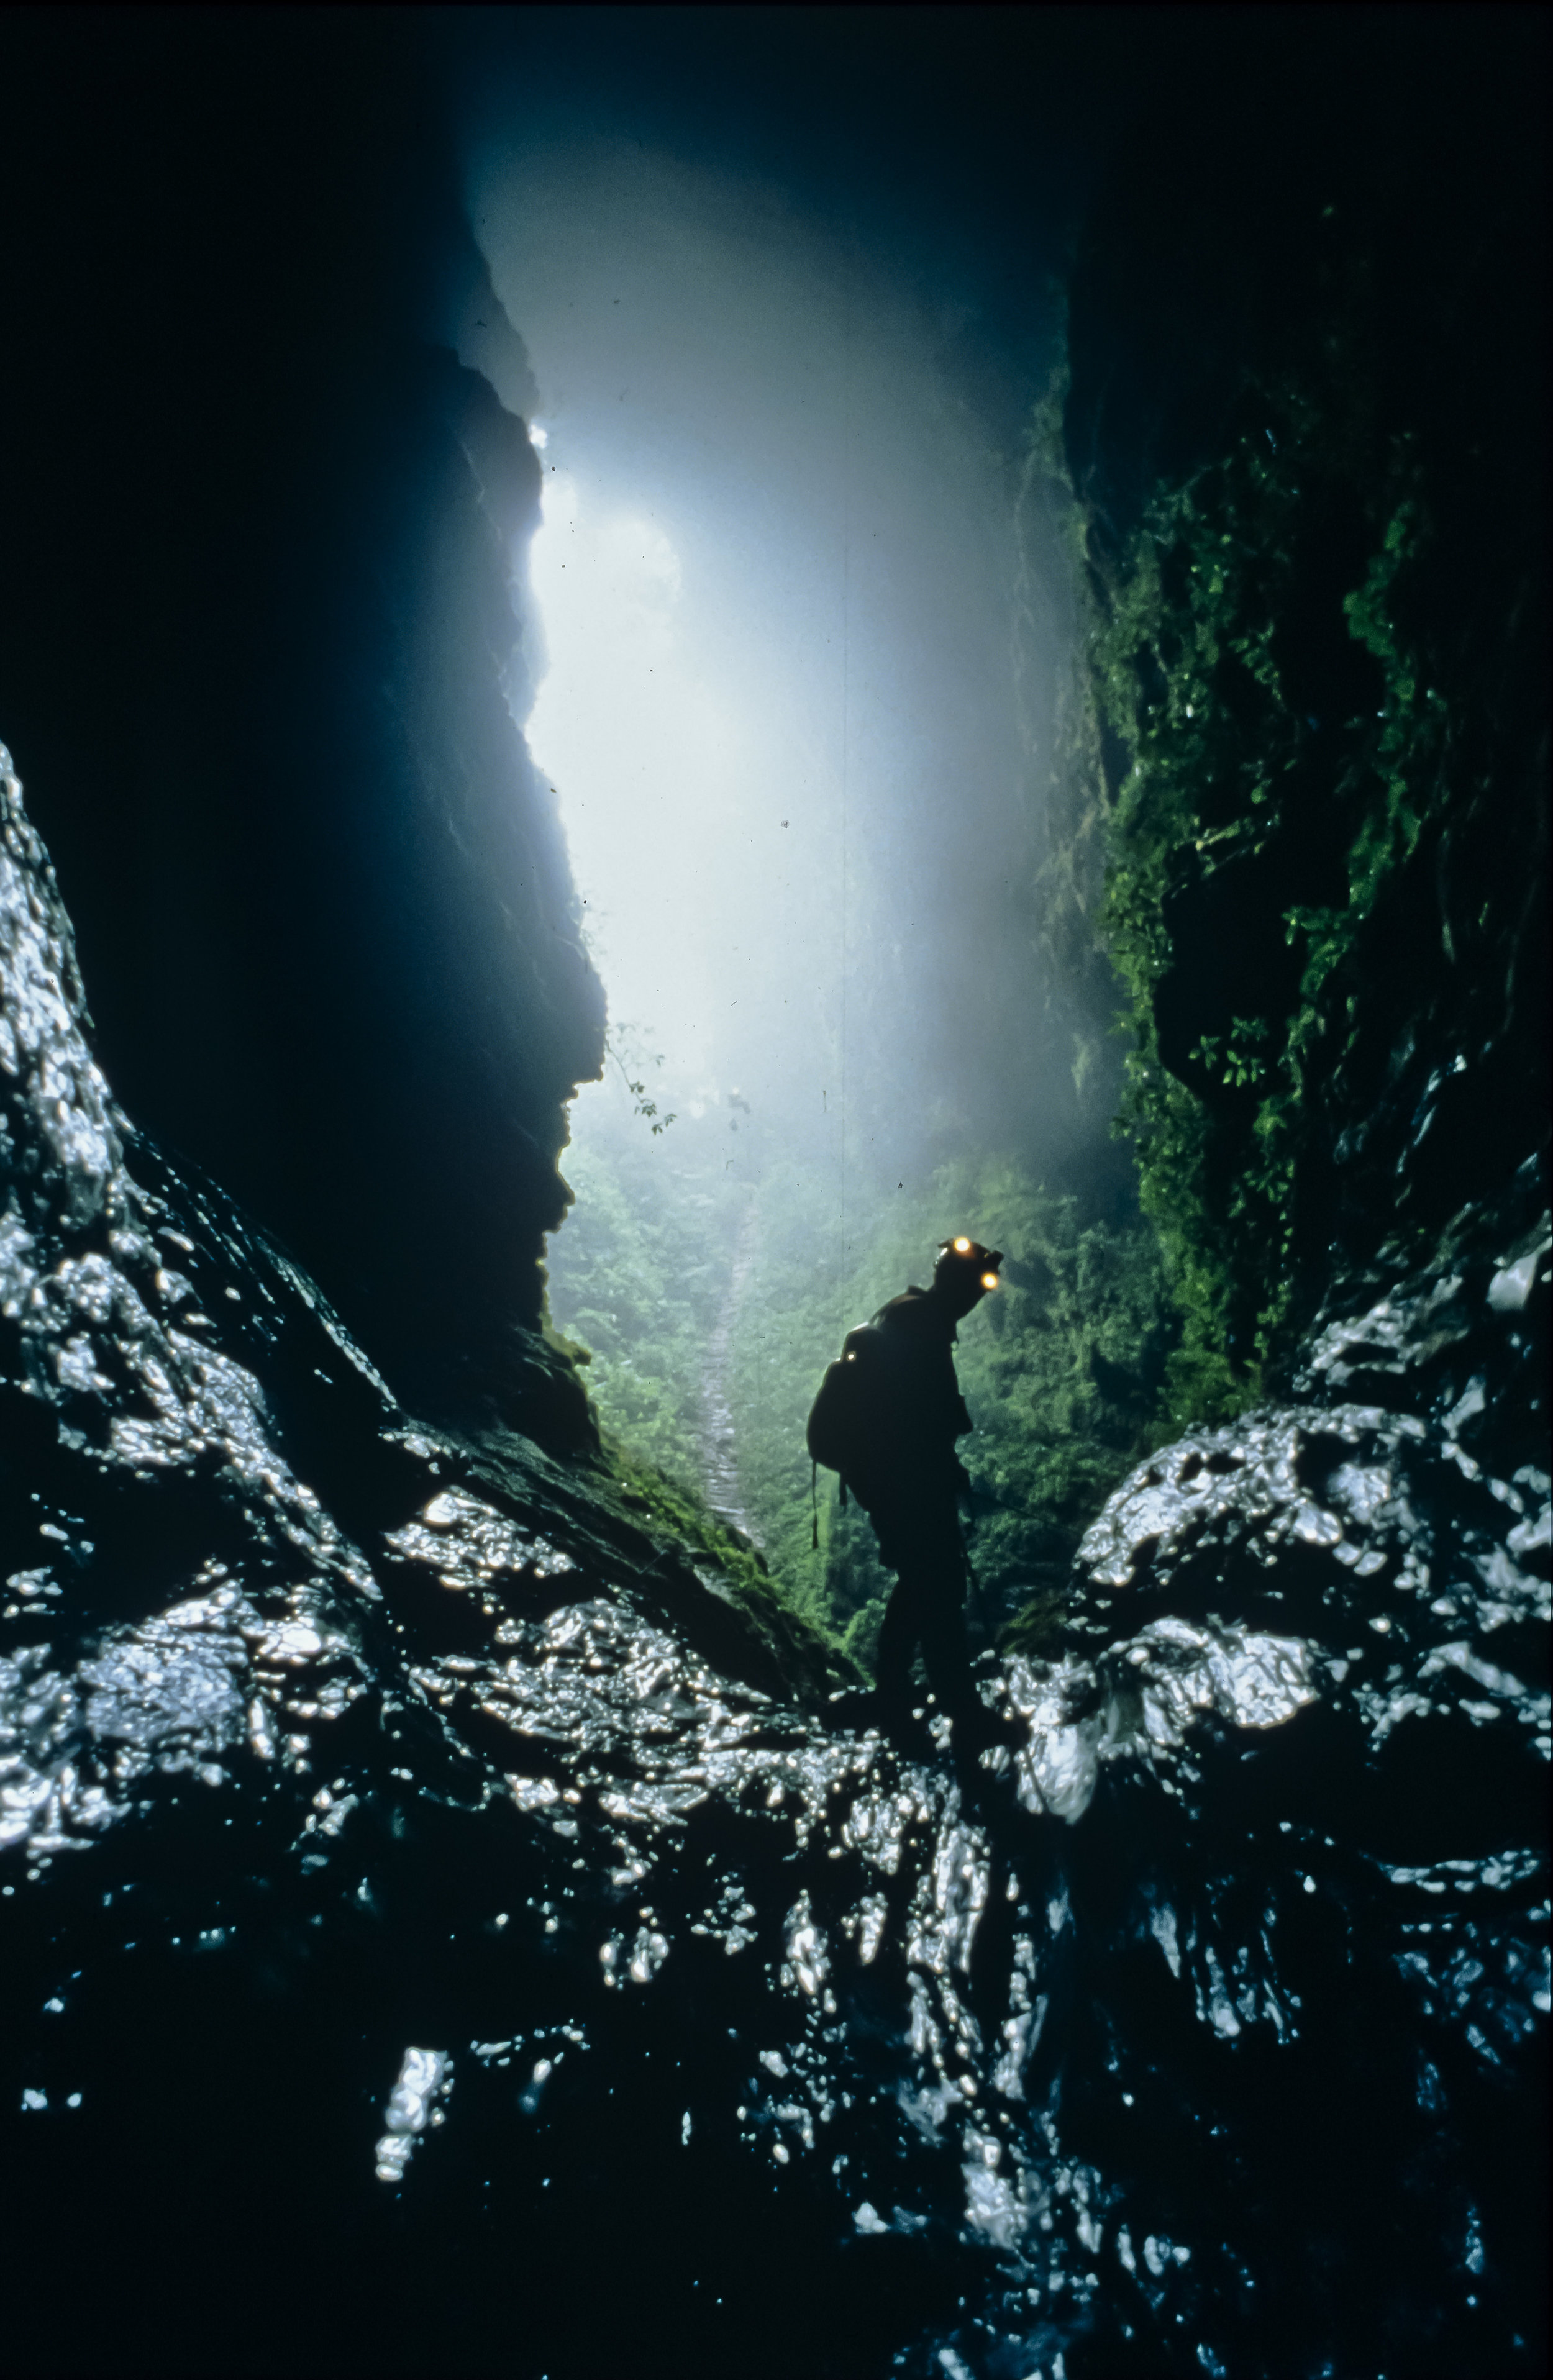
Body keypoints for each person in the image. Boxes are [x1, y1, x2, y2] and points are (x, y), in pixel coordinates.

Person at [842, 1236, 1003, 1745]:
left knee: (926, 1585)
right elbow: (922, 1415)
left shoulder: (907, 1314)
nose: (978, 1300)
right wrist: (941, 1469)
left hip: (892, 1479)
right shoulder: (923, 1325)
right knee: (934, 1585)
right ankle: (948, 1707)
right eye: (976, 1288)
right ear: (958, 1285)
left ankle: (911, 1698)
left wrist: (945, 1467)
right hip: (904, 1483)